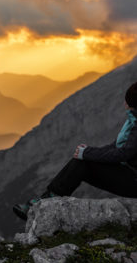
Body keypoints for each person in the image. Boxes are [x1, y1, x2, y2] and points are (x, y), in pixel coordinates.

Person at [13, 81, 137, 221]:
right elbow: (116, 147)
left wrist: (87, 153)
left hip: (134, 180)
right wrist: (87, 151)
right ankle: (46, 200)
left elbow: (123, 153)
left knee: (82, 163)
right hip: (130, 174)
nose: (124, 104)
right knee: (82, 160)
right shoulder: (133, 123)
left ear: (132, 105)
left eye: (127, 102)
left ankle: (44, 204)